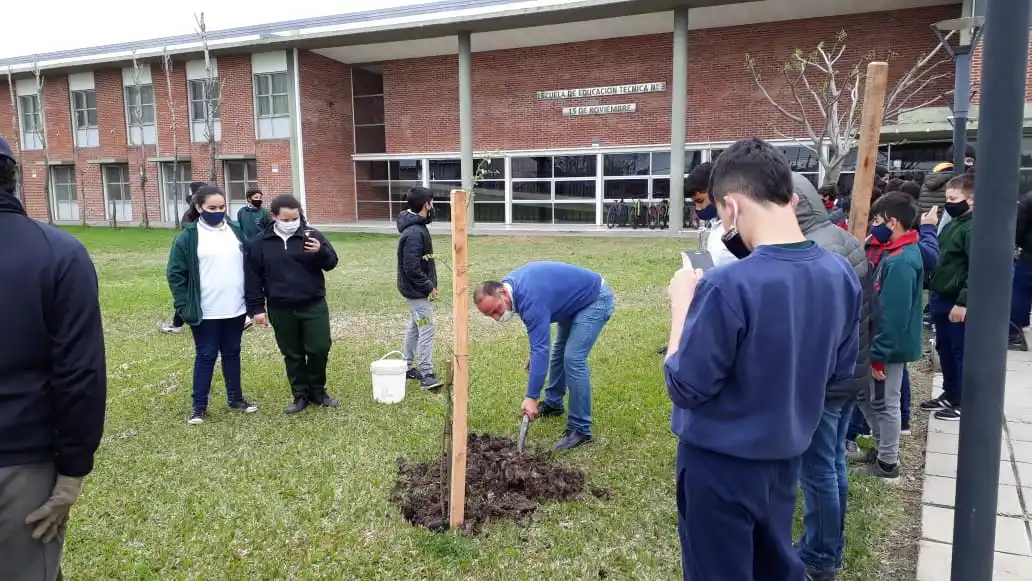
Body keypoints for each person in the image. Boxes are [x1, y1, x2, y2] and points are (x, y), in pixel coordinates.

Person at [664, 138, 861, 581]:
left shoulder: (726, 286)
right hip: (786, 458)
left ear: (731, 208)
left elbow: (685, 386)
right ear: (791, 200)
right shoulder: (840, 273)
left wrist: (681, 305)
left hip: (718, 465)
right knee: (774, 565)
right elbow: (839, 371)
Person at [0, 137, 107, 581]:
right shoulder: (59, 252)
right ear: (13, 178)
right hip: (21, 462)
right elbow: (80, 373)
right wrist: (73, 469)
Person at [792, 174, 873, 581]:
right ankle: (832, 546)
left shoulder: (814, 252)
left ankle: (819, 557)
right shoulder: (845, 238)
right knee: (834, 461)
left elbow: (812, 332)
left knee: (817, 470)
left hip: (827, 380)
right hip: (853, 369)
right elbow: (871, 311)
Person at [474, 262, 615, 451]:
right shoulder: (511, 289)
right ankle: (553, 404)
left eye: (496, 309)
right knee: (558, 352)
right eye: (490, 315)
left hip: (594, 299)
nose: (497, 317)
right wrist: (536, 354)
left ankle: (580, 429)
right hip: (571, 304)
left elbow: (541, 348)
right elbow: (539, 342)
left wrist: (531, 397)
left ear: (502, 292)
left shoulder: (529, 297)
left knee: (573, 359)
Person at [168, 185, 259, 424]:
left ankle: (236, 399)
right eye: (212, 208)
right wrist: (184, 305)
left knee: (232, 353)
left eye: (221, 207)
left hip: (235, 308)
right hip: (206, 311)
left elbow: (250, 263)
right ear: (199, 208)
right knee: (206, 355)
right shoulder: (187, 237)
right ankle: (199, 407)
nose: (218, 212)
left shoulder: (235, 231)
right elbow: (176, 274)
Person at [246, 195, 340, 414]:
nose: (291, 223)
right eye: (286, 219)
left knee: (319, 348)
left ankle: (318, 391)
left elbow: (331, 263)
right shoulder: (260, 243)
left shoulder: (312, 236)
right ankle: (300, 395)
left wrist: (321, 252)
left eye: (295, 218)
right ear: (274, 216)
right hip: (280, 308)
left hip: (313, 304)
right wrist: (257, 309)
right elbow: (253, 279)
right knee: (292, 353)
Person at [854, 192, 924, 481]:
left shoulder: (901, 261)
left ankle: (887, 462)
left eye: (877, 220)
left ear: (893, 222)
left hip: (888, 347)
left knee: (885, 402)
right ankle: (881, 445)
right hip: (877, 341)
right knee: (865, 397)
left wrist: (879, 356)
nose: (874, 225)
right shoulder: (890, 251)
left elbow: (893, 314)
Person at [921, 173, 975, 421]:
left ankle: (963, 400)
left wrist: (963, 301)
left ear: (971, 200)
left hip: (955, 300)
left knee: (959, 350)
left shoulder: (972, 228)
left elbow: (977, 267)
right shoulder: (955, 224)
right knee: (945, 348)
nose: (948, 204)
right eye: (947, 198)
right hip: (941, 296)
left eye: (953, 199)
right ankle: (951, 393)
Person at [396, 186, 442, 390]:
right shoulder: (415, 232)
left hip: (414, 291)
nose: (433, 206)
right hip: (416, 292)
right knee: (426, 327)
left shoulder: (417, 227)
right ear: (426, 205)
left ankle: (406, 367)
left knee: (416, 326)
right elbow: (411, 267)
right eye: (432, 202)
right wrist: (428, 286)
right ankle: (426, 374)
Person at [159, 181, 209, 334]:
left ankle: (177, 324)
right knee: (190, 289)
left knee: (191, 288)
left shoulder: (193, 214)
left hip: (198, 259)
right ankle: (178, 322)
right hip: (195, 258)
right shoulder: (190, 214)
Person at [687, 162, 738, 268]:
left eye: (700, 201)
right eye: (694, 203)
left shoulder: (741, 226)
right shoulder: (715, 222)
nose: (698, 208)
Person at [1009, 190, 1032, 351]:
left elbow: (1018, 227)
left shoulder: (1029, 199)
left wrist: (1024, 244)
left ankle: (1014, 333)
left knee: (1020, 291)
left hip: (1030, 254)